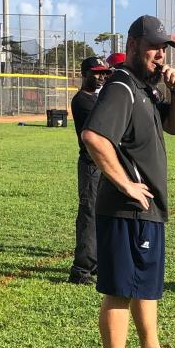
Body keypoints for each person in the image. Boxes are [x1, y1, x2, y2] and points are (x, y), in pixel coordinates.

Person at [81, 15, 175, 348]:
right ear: (132, 46)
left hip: (149, 209)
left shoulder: (147, 89)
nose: (159, 54)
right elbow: (94, 137)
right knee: (120, 289)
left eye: (164, 48)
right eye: (152, 47)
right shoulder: (121, 87)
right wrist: (127, 185)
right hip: (126, 209)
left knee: (145, 284)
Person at [68, 54, 111, 284]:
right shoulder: (82, 100)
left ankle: (94, 263)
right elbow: (103, 127)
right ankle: (81, 269)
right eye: (95, 72)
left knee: (100, 214)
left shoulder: (95, 98)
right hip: (90, 165)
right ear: (84, 74)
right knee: (88, 215)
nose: (101, 76)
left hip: (101, 165)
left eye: (103, 72)